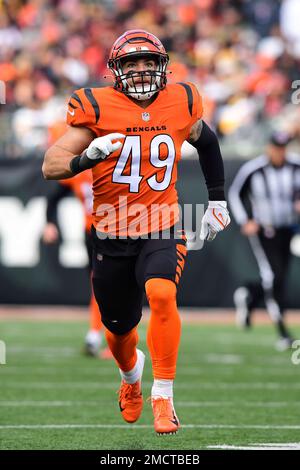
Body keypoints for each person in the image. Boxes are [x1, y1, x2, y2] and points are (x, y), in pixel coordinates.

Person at [42, 29, 230, 435]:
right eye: (132, 63)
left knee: (162, 293)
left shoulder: (181, 100)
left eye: (148, 62)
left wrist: (217, 199)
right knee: (119, 332)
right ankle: (131, 380)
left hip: (161, 224)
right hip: (110, 230)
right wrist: (86, 157)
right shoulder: (95, 106)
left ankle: (163, 396)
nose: (141, 70)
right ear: (116, 71)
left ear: (162, 67)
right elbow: (51, 164)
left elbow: (207, 140)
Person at [229, 131, 300, 350]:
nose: (279, 152)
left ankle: (250, 295)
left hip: (289, 229)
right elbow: (235, 193)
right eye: (276, 147)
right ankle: (283, 333)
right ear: (268, 147)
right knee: (274, 276)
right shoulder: (254, 169)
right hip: (265, 230)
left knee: (277, 277)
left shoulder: (296, 166)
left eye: (283, 147)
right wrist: (246, 220)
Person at [42, 172, 112, 359]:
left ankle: (112, 337)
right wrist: (49, 223)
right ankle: (95, 334)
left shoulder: (115, 163)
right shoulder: (80, 170)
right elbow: (53, 198)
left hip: (117, 232)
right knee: (98, 284)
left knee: (118, 285)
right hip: (92, 234)